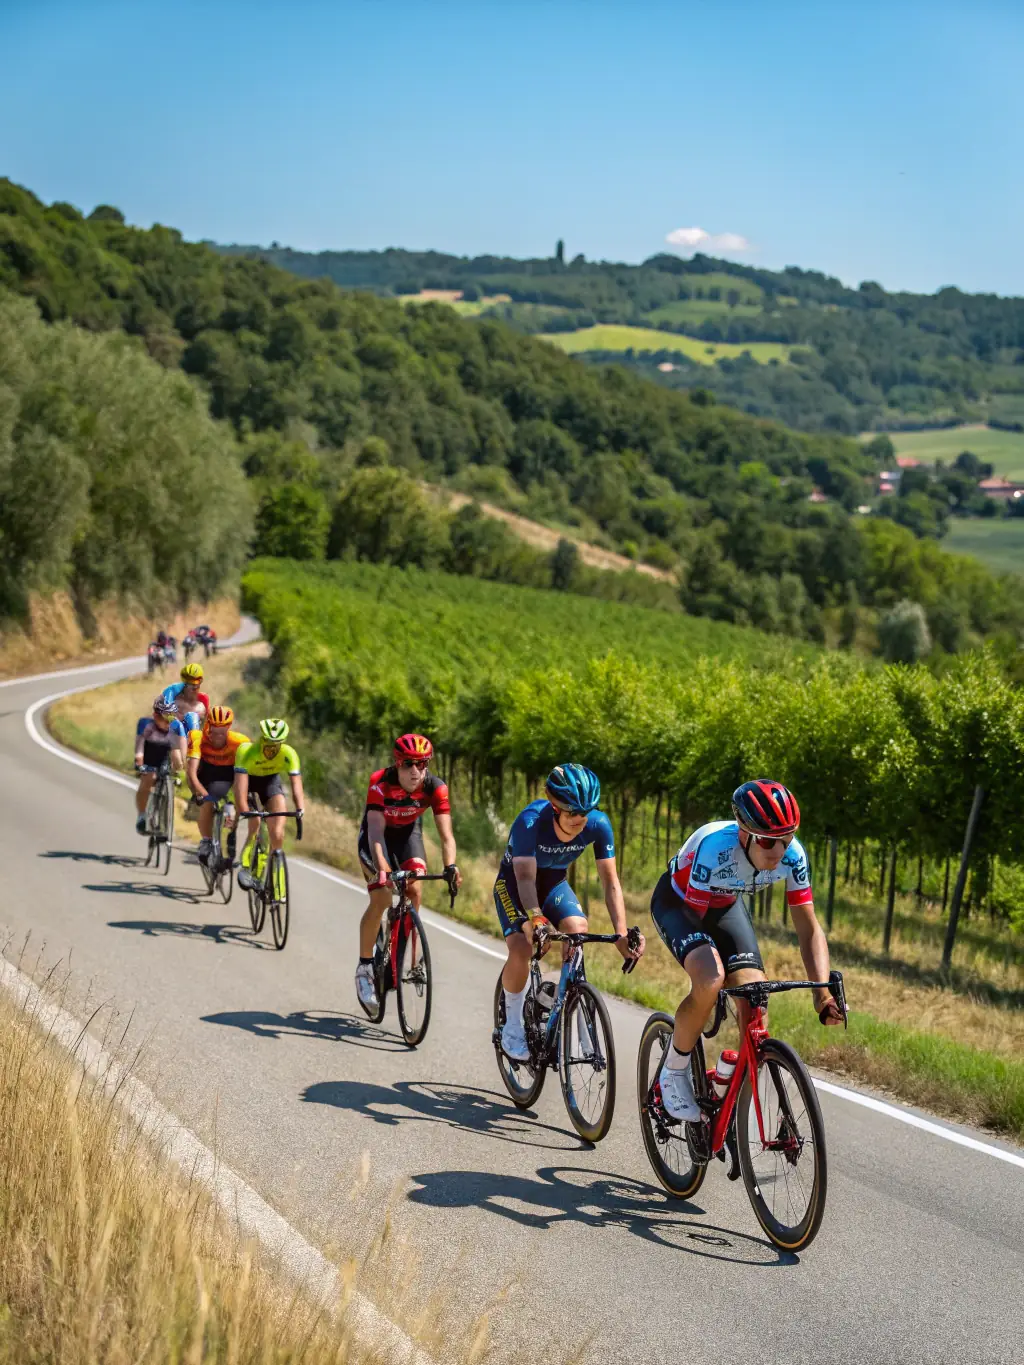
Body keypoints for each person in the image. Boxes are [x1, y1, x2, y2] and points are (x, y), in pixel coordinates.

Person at [650, 778, 843, 1122]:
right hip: (681, 904)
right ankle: (673, 1072)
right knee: (710, 978)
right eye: (769, 842)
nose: (779, 851)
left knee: (756, 1002)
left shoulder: (793, 855)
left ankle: (723, 1091)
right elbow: (697, 919)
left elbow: (808, 927)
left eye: (787, 839)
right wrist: (710, 988)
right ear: (743, 832)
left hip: (725, 903)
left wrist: (823, 995)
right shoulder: (714, 848)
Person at [495, 763, 644, 1062]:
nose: (579, 819)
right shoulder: (530, 821)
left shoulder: (598, 825)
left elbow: (610, 882)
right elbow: (524, 878)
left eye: (585, 811)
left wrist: (621, 932)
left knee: (578, 929)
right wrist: (535, 918)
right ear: (554, 806)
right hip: (514, 885)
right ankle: (511, 1024)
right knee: (523, 946)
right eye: (572, 811)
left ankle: (568, 1004)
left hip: (553, 883)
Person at [355, 734, 462, 1012]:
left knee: (414, 889)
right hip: (376, 839)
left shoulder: (435, 788)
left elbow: (446, 835)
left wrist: (451, 866)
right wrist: (383, 869)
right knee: (381, 898)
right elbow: (376, 831)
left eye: (422, 764)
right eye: (408, 764)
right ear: (397, 763)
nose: (415, 771)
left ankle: (400, 955)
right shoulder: (380, 782)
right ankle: (365, 967)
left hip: (408, 836)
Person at [233, 719, 305, 890]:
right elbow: (240, 788)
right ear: (262, 740)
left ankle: (274, 875)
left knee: (277, 832)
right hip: (249, 783)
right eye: (268, 744)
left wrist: (300, 809)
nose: (272, 749)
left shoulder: (289, 754)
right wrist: (244, 809)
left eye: (276, 745)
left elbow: (296, 786)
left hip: (270, 783)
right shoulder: (247, 751)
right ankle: (246, 866)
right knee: (255, 823)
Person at [185, 705, 250, 867]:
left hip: (229, 772)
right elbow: (192, 773)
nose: (218, 737)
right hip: (206, 771)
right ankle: (206, 840)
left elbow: (246, 773)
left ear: (229, 728)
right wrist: (201, 793)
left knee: (236, 803)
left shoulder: (240, 742)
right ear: (208, 726)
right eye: (214, 731)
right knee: (208, 801)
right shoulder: (197, 737)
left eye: (222, 732)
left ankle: (230, 833)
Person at [133, 696, 189, 834]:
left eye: (169, 718)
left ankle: (164, 816)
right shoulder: (147, 725)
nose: (165, 722)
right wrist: (139, 761)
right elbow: (139, 747)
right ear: (155, 715)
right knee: (149, 778)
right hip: (149, 754)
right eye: (162, 718)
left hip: (166, 754)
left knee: (173, 770)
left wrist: (181, 768)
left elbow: (182, 750)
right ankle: (142, 816)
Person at [161, 661, 209, 731]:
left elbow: (207, 722)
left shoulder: (203, 698)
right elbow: (164, 714)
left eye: (197, 682)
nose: (195, 686)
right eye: (191, 683)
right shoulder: (173, 695)